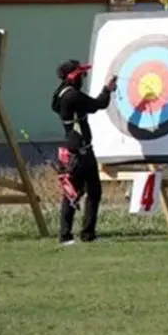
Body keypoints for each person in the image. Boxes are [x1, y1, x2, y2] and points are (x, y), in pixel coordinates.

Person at [50, 59, 117, 245]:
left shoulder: (60, 93)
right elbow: (98, 104)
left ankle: (75, 235)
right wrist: (107, 89)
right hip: (80, 153)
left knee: (76, 193)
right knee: (84, 193)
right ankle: (76, 235)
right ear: (73, 77)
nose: (83, 78)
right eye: (82, 75)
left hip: (74, 150)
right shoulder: (72, 96)